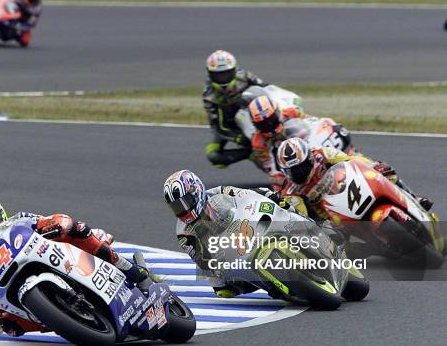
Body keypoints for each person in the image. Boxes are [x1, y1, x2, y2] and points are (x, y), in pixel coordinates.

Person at [0, 195, 150, 337]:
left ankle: (130, 269)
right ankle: (64, 320)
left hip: (55, 254)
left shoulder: (19, 219)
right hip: (19, 280)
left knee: (77, 229)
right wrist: (1, 313)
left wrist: (56, 225)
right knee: (11, 327)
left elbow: (46, 220)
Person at [163, 170, 295, 298]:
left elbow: (245, 194)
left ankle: (304, 221)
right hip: (227, 251)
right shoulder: (183, 233)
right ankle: (270, 285)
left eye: (185, 202)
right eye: (177, 207)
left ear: (196, 191)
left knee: (277, 200)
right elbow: (202, 261)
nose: (183, 209)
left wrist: (267, 196)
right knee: (225, 290)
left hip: (246, 225)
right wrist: (217, 272)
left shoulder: (218, 192)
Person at [276, 137, 433, 220]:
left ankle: (414, 198)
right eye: (293, 171)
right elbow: (302, 218)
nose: (299, 173)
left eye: (301, 167)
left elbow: (352, 160)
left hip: (350, 189)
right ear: (285, 172)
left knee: (385, 170)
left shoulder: (323, 154)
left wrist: (372, 166)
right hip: (331, 218)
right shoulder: (290, 192)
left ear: (309, 158)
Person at [202, 50, 269, 169]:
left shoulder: (244, 76)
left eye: (226, 74)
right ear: (210, 74)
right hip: (228, 126)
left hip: (251, 112)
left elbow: (266, 88)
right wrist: (236, 137)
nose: (223, 78)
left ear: (234, 70)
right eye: (218, 75)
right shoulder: (209, 96)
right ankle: (250, 153)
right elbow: (216, 126)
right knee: (213, 155)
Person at [248, 95, 305, 190]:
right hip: (287, 166)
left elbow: (312, 123)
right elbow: (270, 169)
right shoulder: (258, 142)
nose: (269, 125)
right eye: (263, 124)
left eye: (272, 119)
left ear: (278, 112)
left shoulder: (292, 112)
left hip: (305, 145)